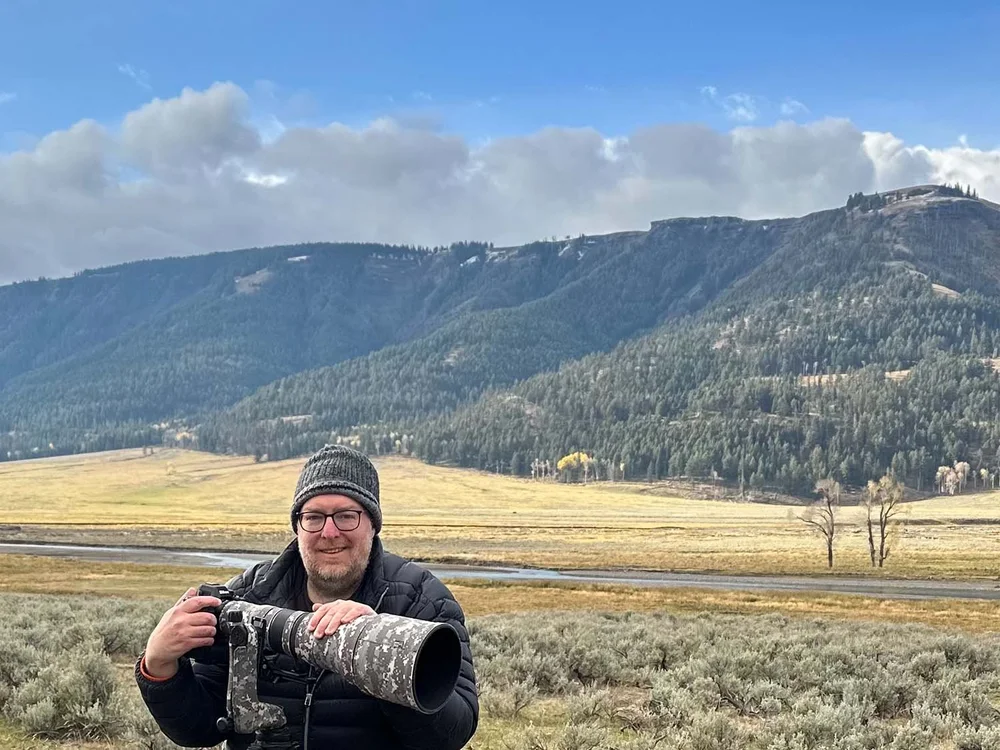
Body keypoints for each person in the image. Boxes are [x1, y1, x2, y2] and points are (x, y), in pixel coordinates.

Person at [134, 444, 479, 749]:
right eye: (313, 517)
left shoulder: (421, 599)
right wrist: (160, 667)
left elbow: (451, 733)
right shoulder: (250, 594)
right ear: (297, 527)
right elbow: (200, 727)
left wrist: (384, 651)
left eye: (346, 516)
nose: (329, 532)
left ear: (373, 525)